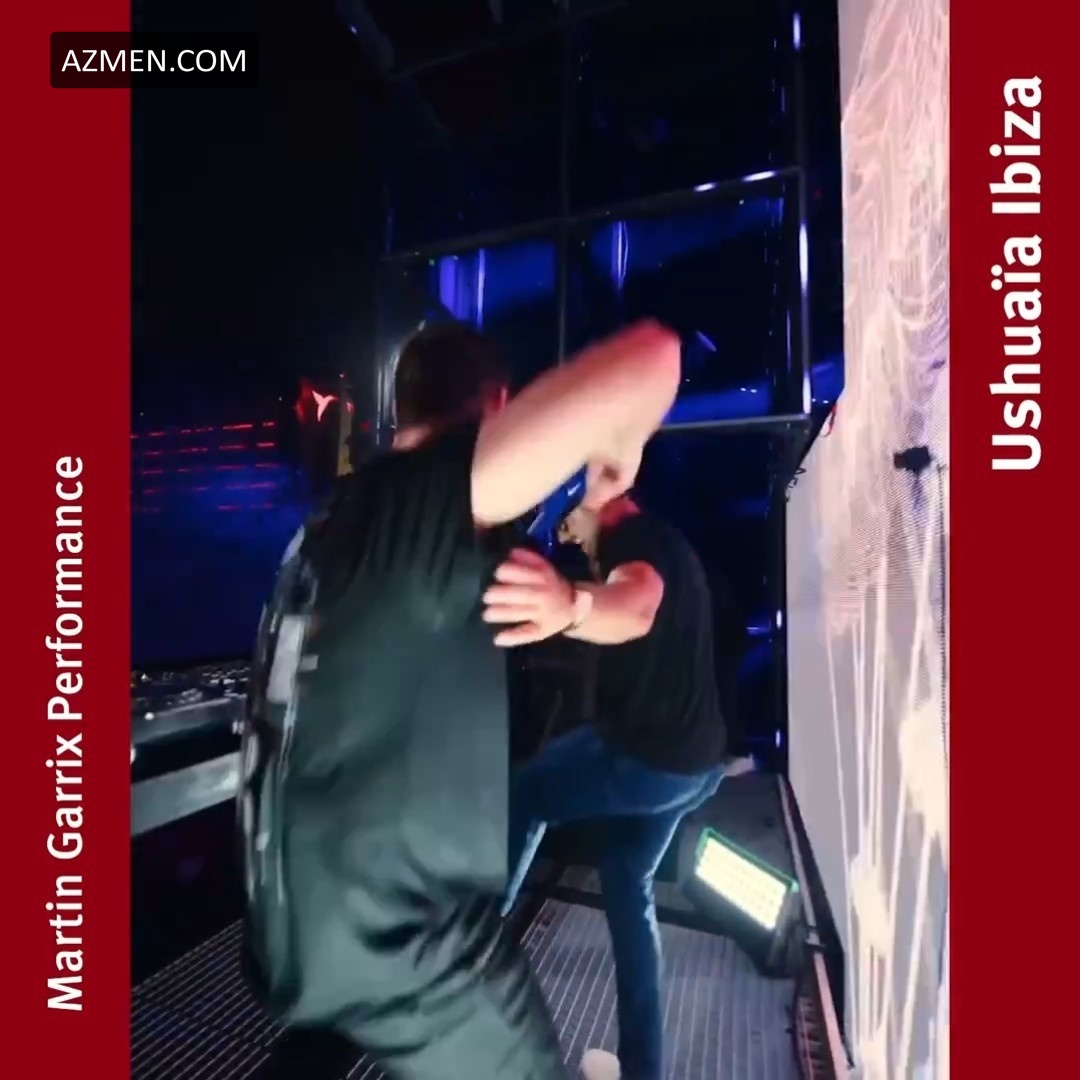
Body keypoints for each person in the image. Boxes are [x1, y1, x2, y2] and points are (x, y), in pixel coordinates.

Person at [238, 318, 682, 1079]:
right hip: (412, 945)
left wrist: (572, 605)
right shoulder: (430, 502)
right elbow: (653, 356)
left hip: (288, 929)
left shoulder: (333, 523)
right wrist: (617, 461)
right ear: (498, 404)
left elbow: (630, 613)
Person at [483, 468, 729, 1080]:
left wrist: (571, 606)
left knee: (526, 793)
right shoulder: (666, 540)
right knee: (626, 879)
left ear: (595, 497)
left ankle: (473, 951)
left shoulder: (635, 546)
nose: (568, 535)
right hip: (697, 765)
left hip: (651, 761)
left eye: (568, 520)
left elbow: (635, 605)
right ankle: (644, 1070)